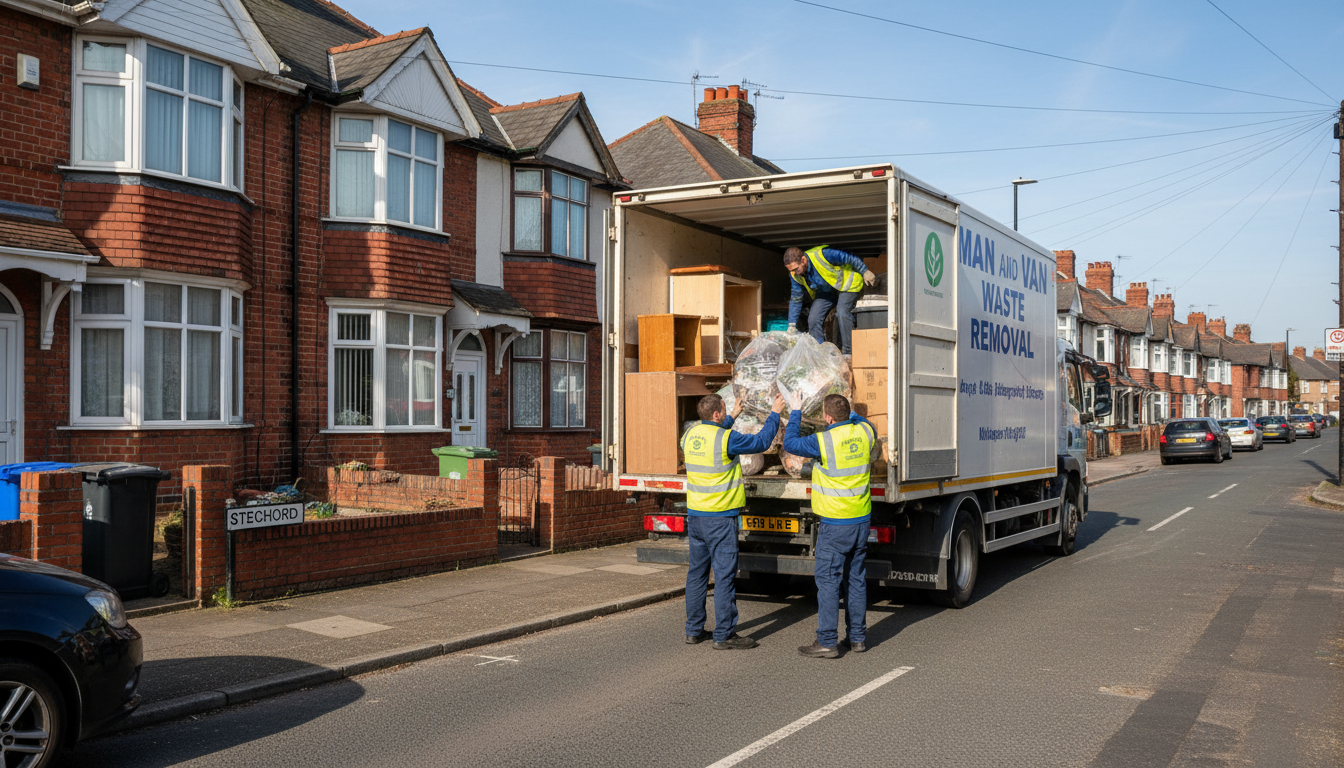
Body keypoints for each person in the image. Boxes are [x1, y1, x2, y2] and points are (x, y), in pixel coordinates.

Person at [682, 392, 786, 649]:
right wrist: (775, 412)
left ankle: (694, 630)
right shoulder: (727, 438)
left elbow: (713, 438)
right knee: (725, 577)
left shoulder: (689, 436)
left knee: (696, 575)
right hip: (720, 519)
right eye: (725, 410)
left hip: (696, 518)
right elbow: (762, 442)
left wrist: (733, 416)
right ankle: (724, 635)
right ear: (717, 414)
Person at [782, 392, 876, 658]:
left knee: (828, 581)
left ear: (826, 417)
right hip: (861, 519)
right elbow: (862, 421)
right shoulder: (865, 433)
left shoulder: (823, 441)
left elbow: (790, 442)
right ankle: (857, 638)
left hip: (835, 524)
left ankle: (826, 641)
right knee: (855, 579)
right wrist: (849, 410)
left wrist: (797, 410)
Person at [784, 245, 876, 357]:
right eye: (791, 270)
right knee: (813, 318)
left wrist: (864, 271)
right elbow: (796, 298)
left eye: (795, 269)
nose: (794, 273)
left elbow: (848, 258)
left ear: (803, 260)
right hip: (826, 292)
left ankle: (849, 353)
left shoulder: (823, 255)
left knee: (842, 312)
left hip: (848, 285)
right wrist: (792, 325)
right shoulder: (795, 275)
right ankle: (820, 355)